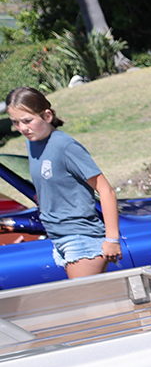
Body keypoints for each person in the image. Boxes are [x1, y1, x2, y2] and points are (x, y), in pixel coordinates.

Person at [0, 87, 120, 279]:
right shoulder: (33, 143)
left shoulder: (66, 146)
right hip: (59, 237)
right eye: (15, 122)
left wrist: (112, 239)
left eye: (27, 121)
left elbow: (106, 191)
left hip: (81, 239)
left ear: (47, 116)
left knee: (84, 298)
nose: (22, 128)